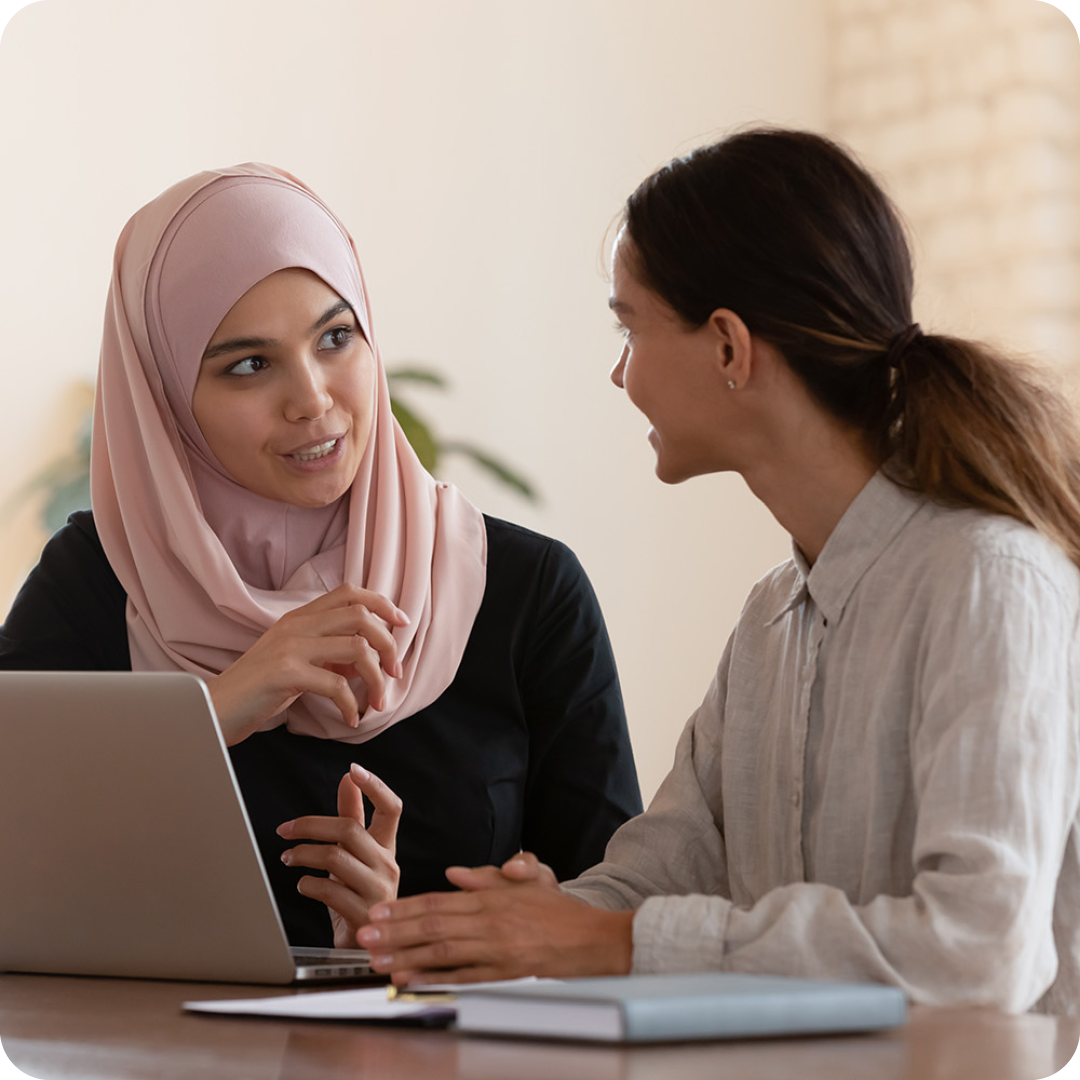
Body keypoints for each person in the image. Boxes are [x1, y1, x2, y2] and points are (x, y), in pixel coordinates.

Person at [353, 128, 1080, 1017]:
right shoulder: (772, 617)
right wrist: (494, 928)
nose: (619, 375)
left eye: (629, 327)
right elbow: (652, 881)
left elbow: (979, 952)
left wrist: (601, 939)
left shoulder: (990, 581)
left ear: (729, 348)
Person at [0, 163, 641, 948]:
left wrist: (397, 941)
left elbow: (607, 921)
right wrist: (215, 711)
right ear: (165, 398)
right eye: (248, 364)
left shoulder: (524, 593)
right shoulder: (98, 585)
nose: (313, 399)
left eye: (336, 338)